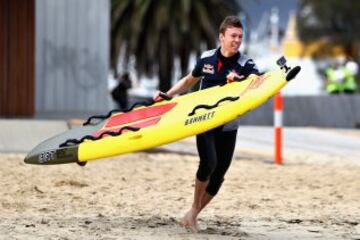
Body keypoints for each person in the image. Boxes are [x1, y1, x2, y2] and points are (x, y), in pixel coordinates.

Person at [153, 16, 259, 232]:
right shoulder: (207, 58)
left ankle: (192, 214)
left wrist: (240, 82)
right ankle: (193, 209)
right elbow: (189, 80)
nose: (237, 40)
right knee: (208, 163)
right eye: (233, 36)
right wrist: (169, 94)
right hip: (204, 121)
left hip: (229, 125)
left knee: (219, 175)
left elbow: (257, 83)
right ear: (222, 37)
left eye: (240, 36)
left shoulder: (245, 64)